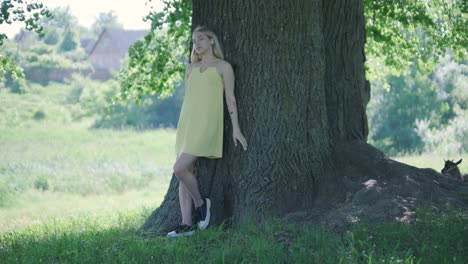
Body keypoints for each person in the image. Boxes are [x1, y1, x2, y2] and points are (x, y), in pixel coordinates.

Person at [167, 26, 248, 238]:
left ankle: (202, 204)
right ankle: (186, 225)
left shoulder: (223, 67)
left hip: (206, 124)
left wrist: (236, 129)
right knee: (184, 175)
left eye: (201, 39)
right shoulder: (190, 68)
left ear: (212, 41)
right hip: (187, 124)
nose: (197, 43)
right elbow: (191, 98)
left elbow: (230, 99)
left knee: (179, 168)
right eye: (194, 40)